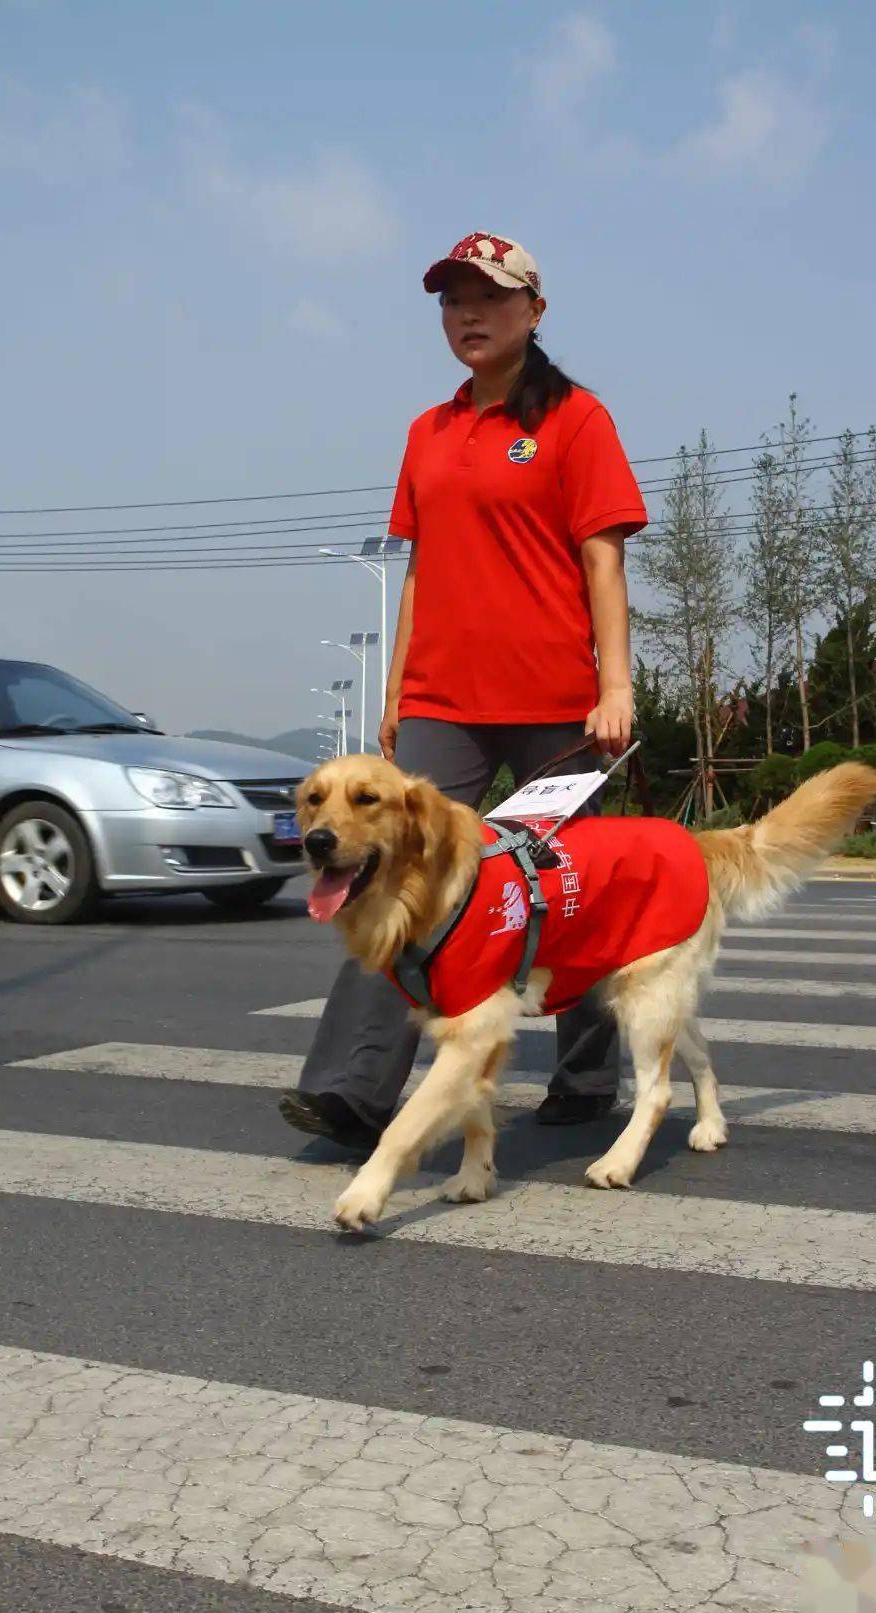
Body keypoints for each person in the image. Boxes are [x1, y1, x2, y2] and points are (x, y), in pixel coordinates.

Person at [280, 229, 648, 1156]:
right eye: (452, 300)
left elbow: (602, 561)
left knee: (572, 890)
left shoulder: (576, 420)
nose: (468, 315)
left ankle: (588, 1076)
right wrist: (400, 688)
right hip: (445, 698)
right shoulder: (428, 432)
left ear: (534, 309)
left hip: (558, 701)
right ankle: (351, 1090)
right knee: (387, 872)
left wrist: (615, 684)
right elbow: (419, 573)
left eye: (487, 297)